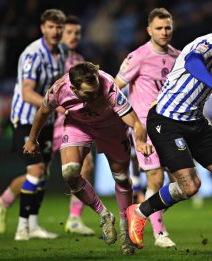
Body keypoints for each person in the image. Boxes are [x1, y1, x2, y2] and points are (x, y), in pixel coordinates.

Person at [125, 20, 212, 256]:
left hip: (194, 121)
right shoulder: (204, 46)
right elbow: (193, 64)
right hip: (166, 121)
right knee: (190, 186)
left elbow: (209, 82)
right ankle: (138, 212)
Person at [23, 61, 153, 255]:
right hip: (79, 126)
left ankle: (126, 234)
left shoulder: (107, 86)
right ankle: (104, 214)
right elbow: (43, 111)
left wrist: (140, 141)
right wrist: (32, 139)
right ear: (73, 88)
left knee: (122, 179)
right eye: (88, 94)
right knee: (70, 173)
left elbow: (134, 121)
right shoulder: (59, 89)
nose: (94, 96)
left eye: (95, 92)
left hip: (111, 128)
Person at [0, 9, 67, 240]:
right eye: (51, 27)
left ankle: (22, 216)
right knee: (35, 171)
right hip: (25, 119)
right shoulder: (32, 54)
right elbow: (26, 93)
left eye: (58, 27)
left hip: (47, 120)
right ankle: (22, 228)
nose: (55, 31)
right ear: (42, 28)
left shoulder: (61, 53)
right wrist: (55, 105)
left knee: (41, 173)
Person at [115, 7, 180, 248]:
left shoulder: (178, 57)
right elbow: (114, 87)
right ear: (149, 30)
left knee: (185, 182)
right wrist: (127, 119)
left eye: (168, 27)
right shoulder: (138, 56)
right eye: (159, 28)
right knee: (156, 177)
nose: (164, 32)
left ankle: (141, 209)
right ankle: (160, 234)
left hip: (173, 126)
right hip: (146, 126)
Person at [52, 15, 95, 236]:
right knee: (37, 173)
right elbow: (47, 93)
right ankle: (11, 205)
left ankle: (74, 218)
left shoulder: (79, 61)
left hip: (73, 124)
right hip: (50, 123)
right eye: (69, 32)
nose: (73, 36)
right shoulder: (52, 59)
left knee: (86, 165)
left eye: (77, 33)